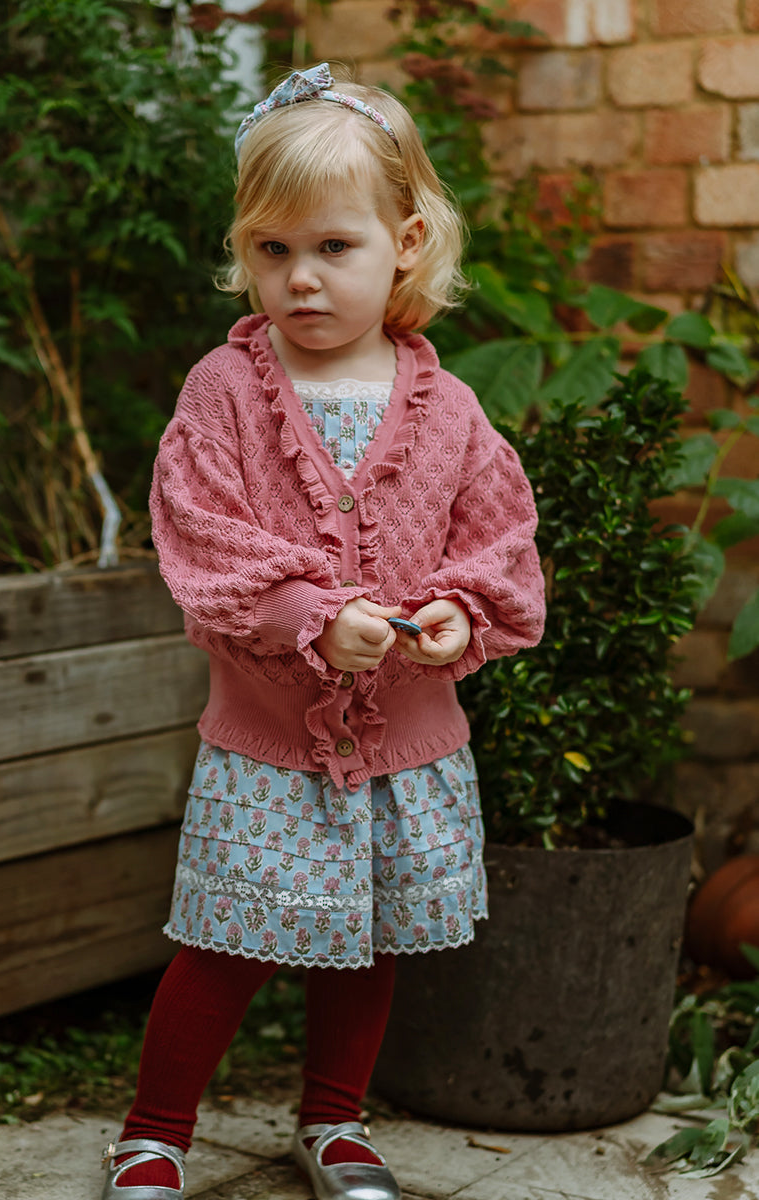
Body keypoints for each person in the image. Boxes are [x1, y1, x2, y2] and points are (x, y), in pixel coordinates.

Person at [100, 63, 546, 1200]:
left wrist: (456, 614)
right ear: (245, 251)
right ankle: (153, 1133)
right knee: (226, 941)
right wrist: (307, 614)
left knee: (373, 938)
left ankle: (335, 1121)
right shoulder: (225, 391)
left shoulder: (448, 409)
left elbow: (498, 540)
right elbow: (200, 535)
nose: (300, 278)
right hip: (269, 743)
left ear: (405, 242)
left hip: (403, 744)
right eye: (273, 249)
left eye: (334, 247)